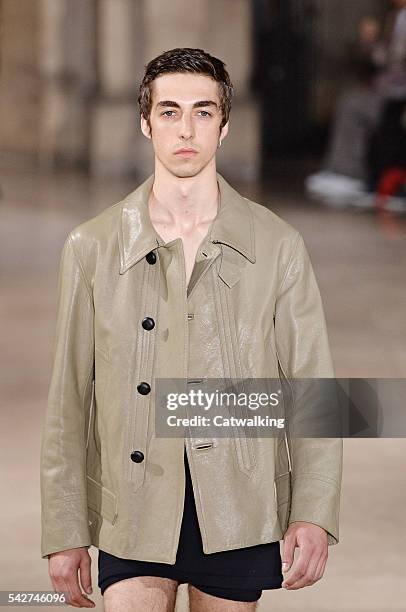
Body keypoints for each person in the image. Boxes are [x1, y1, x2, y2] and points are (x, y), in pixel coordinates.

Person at [40, 47, 343, 611]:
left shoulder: (276, 246)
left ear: (224, 127)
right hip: (131, 507)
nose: (186, 129)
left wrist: (313, 510)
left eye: (203, 112)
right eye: (170, 111)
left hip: (238, 504)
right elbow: (68, 398)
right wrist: (64, 527)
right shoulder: (93, 247)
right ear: (145, 123)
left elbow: (312, 388)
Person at [306, 0, 406, 208]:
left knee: (353, 106)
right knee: (351, 102)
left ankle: (348, 174)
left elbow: (394, 64)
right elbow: (385, 59)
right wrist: (368, 44)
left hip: (396, 96)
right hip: (387, 93)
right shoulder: (395, 17)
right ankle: (342, 171)